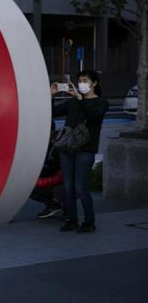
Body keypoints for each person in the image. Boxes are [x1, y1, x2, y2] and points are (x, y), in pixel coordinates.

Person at [51, 70, 108, 233]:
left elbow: (93, 115)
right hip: (67, 147)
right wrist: (51, 96)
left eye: (85, 80)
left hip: (86, 149)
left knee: (80, 187)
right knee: (68, 186)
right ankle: (71, 220)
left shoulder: (101, 102)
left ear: (94, 83)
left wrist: (80, 98)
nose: (81, 83)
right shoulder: (72, 102)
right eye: (79, 80)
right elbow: (52, 113)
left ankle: (89, 222)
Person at [30, 123, 64, 219]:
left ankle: (61, 207)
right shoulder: (45, 145)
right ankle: (52, 205)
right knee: (26, 187)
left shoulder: (59, 145)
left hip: (62, 181)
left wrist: (39, 182)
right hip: (52, 178)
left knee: (30, 187)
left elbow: (60, 175)